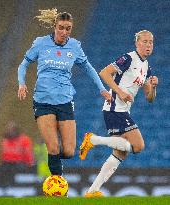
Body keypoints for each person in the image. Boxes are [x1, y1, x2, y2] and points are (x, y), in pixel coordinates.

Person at [17, 8, 112, 176]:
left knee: (68, 151)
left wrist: (102, 89)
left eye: (68, 28)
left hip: (65, 102)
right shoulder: (40, 43)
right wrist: (22, 83)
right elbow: (24, 64)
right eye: (61, 27)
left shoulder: (74, 46)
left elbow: (88, 68)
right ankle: (57, 184)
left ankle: (53, 160)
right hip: (43, 101)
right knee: (53, 147)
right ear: (55, 26)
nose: (64, 31)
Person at [79, 30, 158, 197]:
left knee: (120, 153)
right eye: (144, 41)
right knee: (138, 146)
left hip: (122, 110)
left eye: (151, 42)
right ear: (137, 43)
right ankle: (93, 139)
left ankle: (92, 191)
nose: (148, 45)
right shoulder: (128, 58)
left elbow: (149, 98)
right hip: (114, 107)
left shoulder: (146, 67)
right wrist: (120, 92)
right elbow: (104, 72)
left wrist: (153, 86)